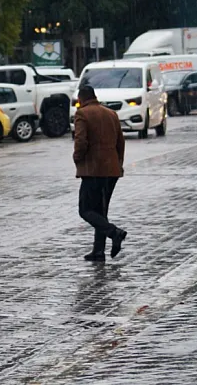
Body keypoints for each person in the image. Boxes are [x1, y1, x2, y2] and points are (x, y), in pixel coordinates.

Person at [73, 85, 127, 261]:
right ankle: (98, 251)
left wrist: (77, 158)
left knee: (85, 209)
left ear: (81, 98)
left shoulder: (82, 114)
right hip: (111, 170)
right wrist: (118, 163)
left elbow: (81, 142)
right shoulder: (111, 113)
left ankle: (114, 233)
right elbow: (121, 142)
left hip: (93, 170)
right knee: (100, 210)